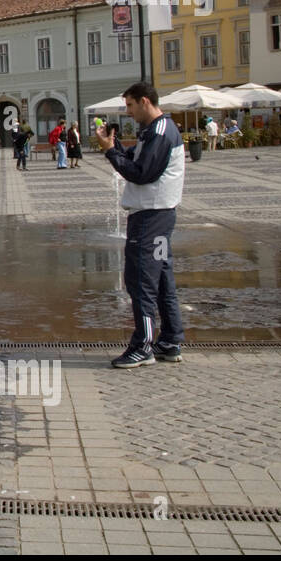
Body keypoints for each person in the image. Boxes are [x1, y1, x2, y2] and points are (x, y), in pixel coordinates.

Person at [96, 81, 185, 368]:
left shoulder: (159, 132)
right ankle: (170, 340)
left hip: (150, 218)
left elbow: (141, 173)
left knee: (141, 281)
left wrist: (111, 153)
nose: (128, 112)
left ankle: (143, 346)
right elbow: (137, 160)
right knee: (160, 280)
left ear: (145, 101)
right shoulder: (155, 131)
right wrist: (115, 146)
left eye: (130, 105)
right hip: (158, 215)